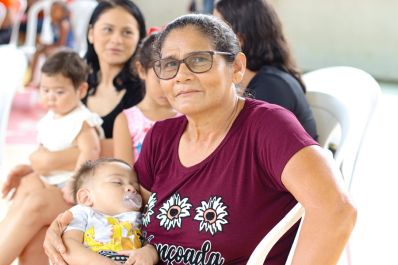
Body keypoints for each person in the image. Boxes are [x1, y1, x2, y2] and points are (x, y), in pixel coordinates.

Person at [44, 14, 356, 265]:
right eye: (169, 65)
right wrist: (70, 222)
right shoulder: (162, 137)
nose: (181, 75)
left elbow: (336, 210)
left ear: (236, 67)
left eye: (199, 60)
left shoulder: (266, 126)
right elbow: (125, 204)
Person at [1, 2, 147, 263]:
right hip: (74, 182)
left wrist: (43, 160)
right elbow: (58, 137)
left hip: (104, 196)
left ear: (139, 38)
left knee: (36, 203)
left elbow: (111, 153)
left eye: (127, 32)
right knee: (29, 190)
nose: (116, 39)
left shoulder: (141, 93)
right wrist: (36, 165)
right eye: (108, 29)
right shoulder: (79, 83)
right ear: (91, 33)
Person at [0, 50, 103, 265]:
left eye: (59, 92)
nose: (50, 97)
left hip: (70, 188)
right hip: (51, 181)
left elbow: (90, 151)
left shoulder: (82, 120)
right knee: (24, 189)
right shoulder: (51, 118)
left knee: (33, 201)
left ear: (81, 90)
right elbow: (47, 149)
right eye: (45, 90)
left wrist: (75, 181)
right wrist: (31, 168)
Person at [214, 0, 318, 140]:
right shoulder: (261, 81)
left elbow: (246, 148)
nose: (206, 39)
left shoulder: (272, 87)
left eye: (215, 31)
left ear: (238, 40)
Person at [62, 158, 148, 265]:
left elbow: (150, 244)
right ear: (86, 197)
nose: (132, 188)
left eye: (136, 187)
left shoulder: (139, 218)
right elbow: (69, 245)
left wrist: (148, 251)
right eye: (117, 182)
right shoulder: (83, 213)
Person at [113, 31, 179, 165]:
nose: (167, 88)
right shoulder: (126, 121)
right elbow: (124, 173)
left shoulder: (188, 115)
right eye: (160, 80)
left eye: (175, 80)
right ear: (142, 70)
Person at [27, 1, 75, 87]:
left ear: (62, 12)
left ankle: (46, 81)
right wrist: (44, 44)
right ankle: (33, 78)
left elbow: (61, 43)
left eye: (55, 10)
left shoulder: (64, 24)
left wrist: (47, 46)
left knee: (49, 53)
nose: (52, 11)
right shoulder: (53, 23)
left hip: (67, 49)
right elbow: (55, 41)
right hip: (57, 46)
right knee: (38, 51)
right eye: (52, 9)